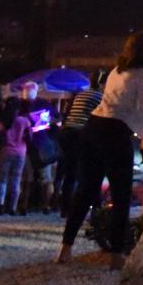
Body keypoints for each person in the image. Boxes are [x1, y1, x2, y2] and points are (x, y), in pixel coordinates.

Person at [58, 32, 143, 267]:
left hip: (93, 126)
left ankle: (65, 248)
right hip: (115, 132)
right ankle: (116, 254)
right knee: (121, 193)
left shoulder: (117, 70)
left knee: (85, 190)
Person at [53, 80, 102, 219]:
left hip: (67, 132)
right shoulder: (99, 96)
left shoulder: (80, 94)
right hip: (81, 133)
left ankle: (65, 208)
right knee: (90, 171)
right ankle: (93, 208)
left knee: (70, 173)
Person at [0, 99, 33, 215]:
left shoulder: (3, 121)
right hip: (20, 152)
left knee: (2, 179)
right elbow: (29, 138)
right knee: (16, 179)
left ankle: (0, 205)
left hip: (6, 151)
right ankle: (12, 207)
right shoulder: (24, 121)